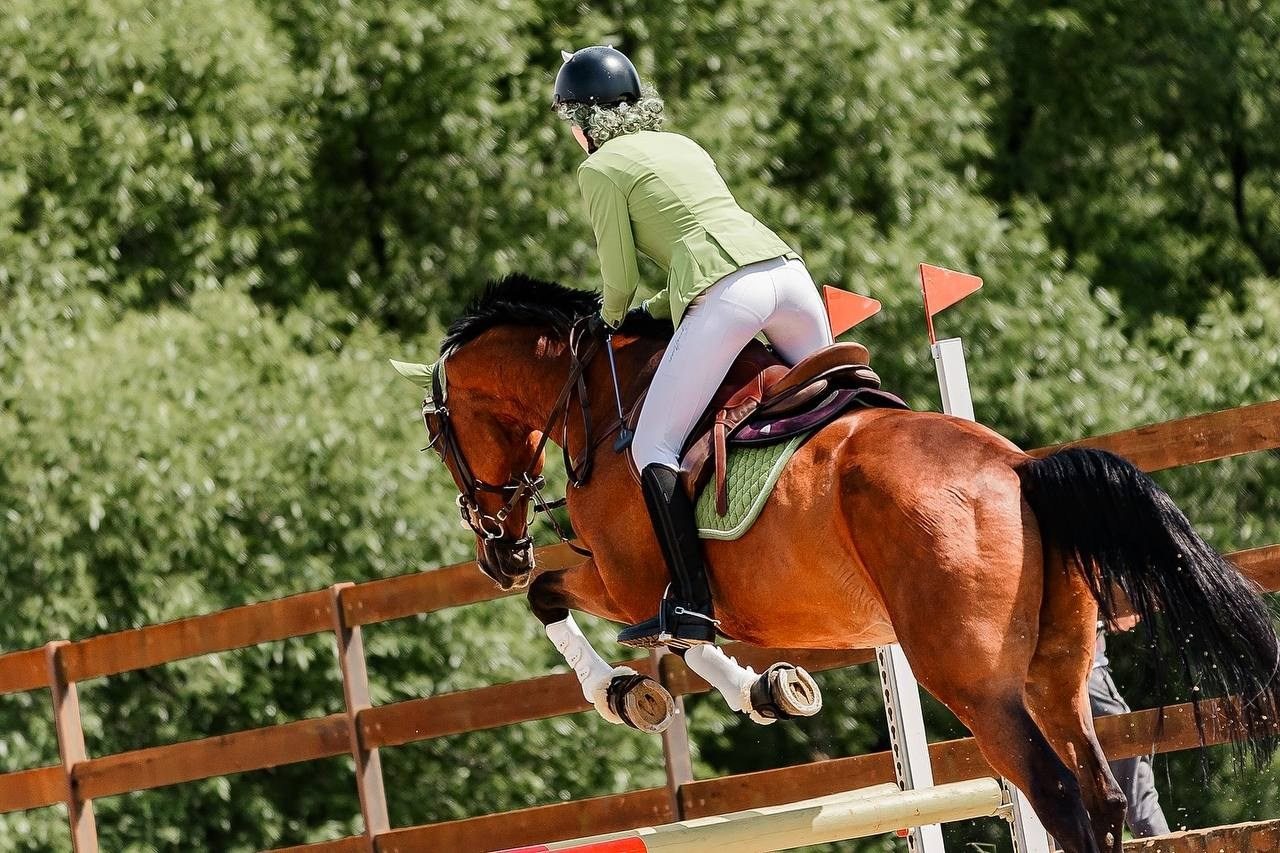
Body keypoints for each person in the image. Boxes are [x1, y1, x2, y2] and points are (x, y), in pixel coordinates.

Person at [553, 45, 833, 649]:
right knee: (841, 407)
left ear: (578, 121)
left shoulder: (598, 169)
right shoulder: (683, 145)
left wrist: (605, 322)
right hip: (788, 275)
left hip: (730, 294)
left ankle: (692, 604)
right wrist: (657, 309)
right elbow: (699, 238)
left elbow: (619, 279)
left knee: (653, 447)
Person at [1091, 619, 1171, 838]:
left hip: (1056, 678)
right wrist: (1101, 619)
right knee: (1129, 749)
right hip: (1085, 674)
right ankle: (1158, 844)